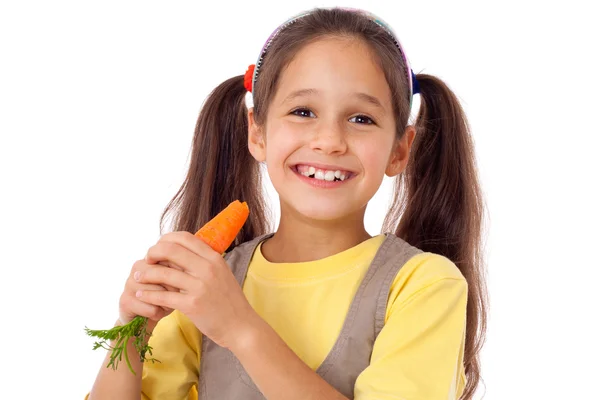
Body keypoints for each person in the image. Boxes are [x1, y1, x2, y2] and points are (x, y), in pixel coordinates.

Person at [87, 7, 488, 400]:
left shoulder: (424, 285)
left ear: (400, 150)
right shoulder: (210, 282)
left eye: (361, 119)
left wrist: (239, 328)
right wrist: (133, 331)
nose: (329, 140)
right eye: (302, 111)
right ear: (257, 134)